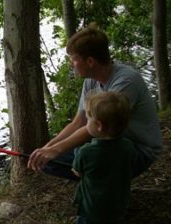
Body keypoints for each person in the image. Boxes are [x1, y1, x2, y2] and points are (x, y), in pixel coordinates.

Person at [27, 25, 162, 179]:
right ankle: (98, 184)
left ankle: (105, 190)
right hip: (110, 141)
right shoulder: (91, 81)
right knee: (50, 162)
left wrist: (56, 150)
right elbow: (79, 122)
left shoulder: (126, 81)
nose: (71, 64)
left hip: (138, 149)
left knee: (81, 156)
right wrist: (48, 147)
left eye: (74, 59)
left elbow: (94, 128)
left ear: (90, 61)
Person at [71, 91, 134, 224]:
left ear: (98, 126)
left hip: (91, 213)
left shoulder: (87, 151)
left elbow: (77, 172)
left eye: (88, 117)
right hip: (117, 209)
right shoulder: (128, 147)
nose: (86, 121)